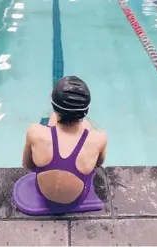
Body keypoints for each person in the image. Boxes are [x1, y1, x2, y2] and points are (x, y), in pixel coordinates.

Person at [22, 76, 107, 205]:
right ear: (85, 110)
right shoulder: (100, 137)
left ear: (54, 106)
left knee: (52, 122)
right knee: (86, 127)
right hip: (76, 198)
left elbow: (28, 165)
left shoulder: (34, 132)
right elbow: (98, 164)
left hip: (43, 192)